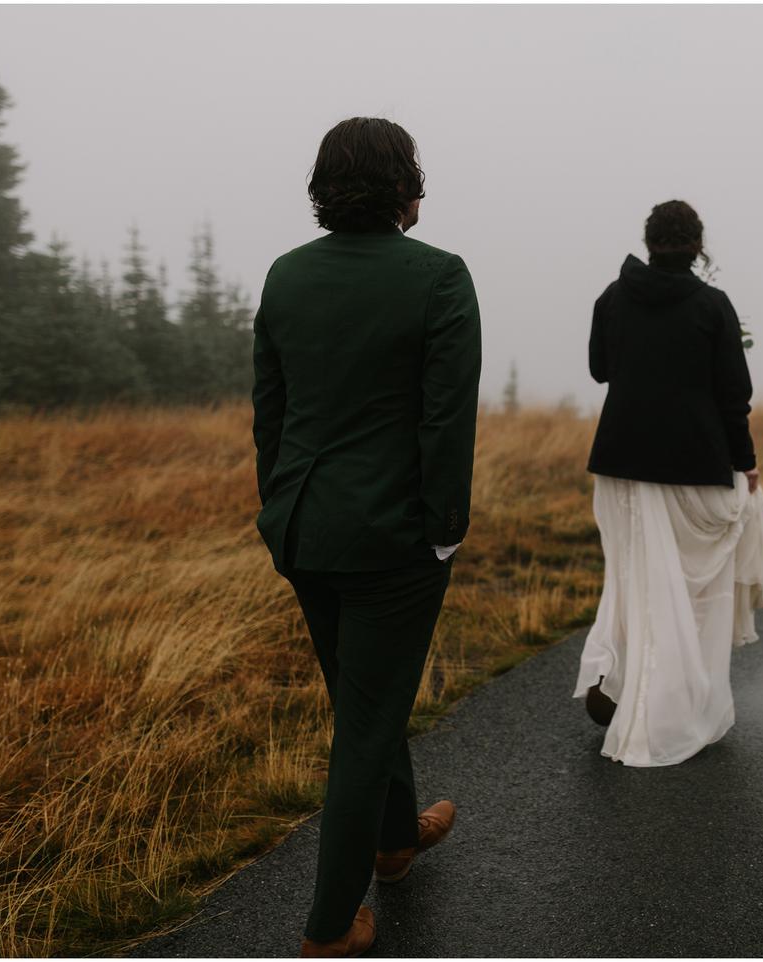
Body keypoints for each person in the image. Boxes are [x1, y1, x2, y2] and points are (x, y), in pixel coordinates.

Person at [251, 116, 481, 957]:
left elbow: (269, 414)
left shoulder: (286, 276)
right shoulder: (440, 278)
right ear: (402, 186)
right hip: (394, 540)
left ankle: (394, 842)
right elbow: (446, 421)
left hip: (305, 530)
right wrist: (445, 533)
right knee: (364, 724)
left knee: (364, 698)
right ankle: (328, 925)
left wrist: (279, 510)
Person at [574, 200, 763, 767]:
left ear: (648, 242)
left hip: (620, 463)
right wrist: (746, 464)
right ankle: (677, 707)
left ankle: (624, 689)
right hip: (695, 464)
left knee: (637, 584)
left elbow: (600, 368)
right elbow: (733, 397)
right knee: (695, 596)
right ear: (696, 245)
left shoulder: (613, 298)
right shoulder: (712, 306)